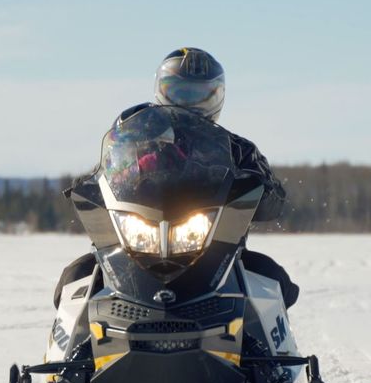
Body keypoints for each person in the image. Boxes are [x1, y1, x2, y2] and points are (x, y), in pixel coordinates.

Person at [53, 48, 297, 307]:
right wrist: (91, 186)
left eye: (199, 94)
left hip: (215, 249)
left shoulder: (237, 148)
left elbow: (273, 196)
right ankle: (67, 344)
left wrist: (257, 188)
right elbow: (108, 171)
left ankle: (275, 347)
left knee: (275, 280)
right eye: (179, 91)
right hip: (136, 243)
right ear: (161, 88)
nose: (188, 102)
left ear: (216, 96)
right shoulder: (139, 139)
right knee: (75, 277)